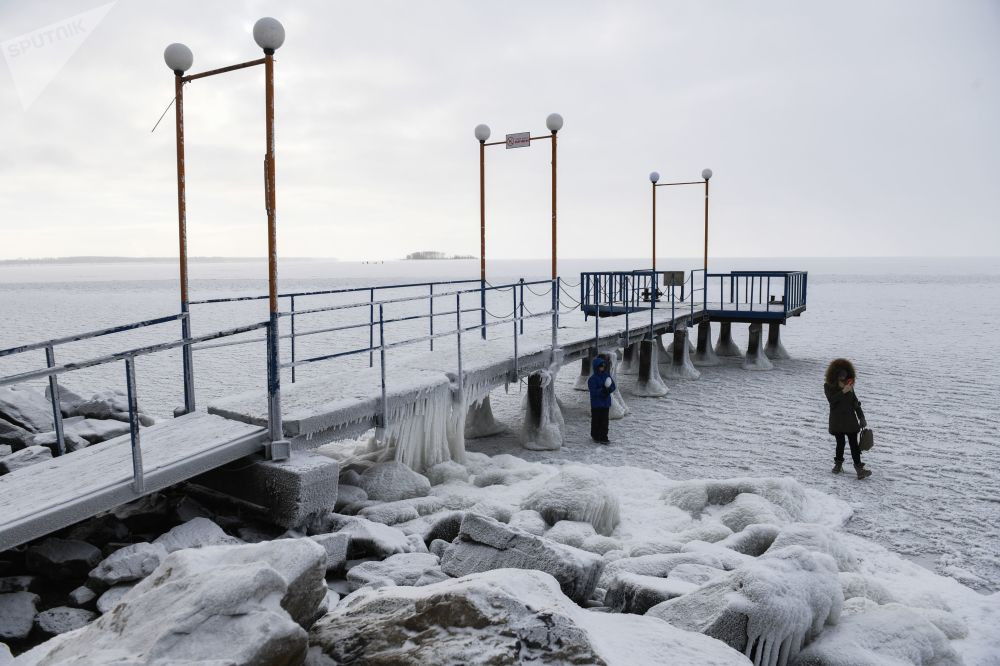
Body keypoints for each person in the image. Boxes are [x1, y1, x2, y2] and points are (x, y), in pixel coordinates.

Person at [824, 358, 871, 479]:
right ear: (835, 374)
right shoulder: (828, 386)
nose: (843, 377)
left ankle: (859, 469)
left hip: (850, 421)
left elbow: (855, 403)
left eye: (844, 374)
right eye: (841, 374)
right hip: (837, 421)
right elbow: (832, 401)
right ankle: (838, 465)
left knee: (854, 445)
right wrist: (843, 391)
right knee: (840, 443)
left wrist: (861, 417)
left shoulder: (849, 386)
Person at [588, 355, 616, 444]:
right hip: (596, 404)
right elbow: (593, 392)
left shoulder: (607, 376)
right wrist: (602, 390)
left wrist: (608, 390)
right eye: (601, 366)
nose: (602, 368)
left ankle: (604, 436)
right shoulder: (592, 379)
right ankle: (595, 435)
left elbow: (613, 386)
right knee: (596, 421)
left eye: (603, 366)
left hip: (605, 403)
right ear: (596, 367)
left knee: (605, 421)